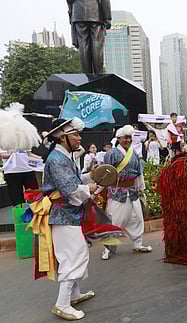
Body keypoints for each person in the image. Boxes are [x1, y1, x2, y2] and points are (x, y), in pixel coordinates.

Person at [42, 118, 98, 320]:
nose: (79, 138)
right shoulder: (57, 159)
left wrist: (88, 177)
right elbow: (69, 190)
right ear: (62, 137)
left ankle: (74, 295)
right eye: (75, 134)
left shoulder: (63, 157)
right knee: (73, 258)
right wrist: (89, 188)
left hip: (68, 215)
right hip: (63, 215)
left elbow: (73, 182)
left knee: (76, 254)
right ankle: (62, 304)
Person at [101, 125, 152, 260]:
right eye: (125, 137)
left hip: (133, 191)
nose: (128, 140)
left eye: (130, 137)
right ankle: (108, 248)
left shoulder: (134, 153)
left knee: (136, 218)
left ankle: (138, 243)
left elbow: (139, 172)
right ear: (119, 138)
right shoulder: (111, 154)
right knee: (115, 220)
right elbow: (106, 173)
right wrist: (99, 190)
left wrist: (142, 190)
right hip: (117, 192)